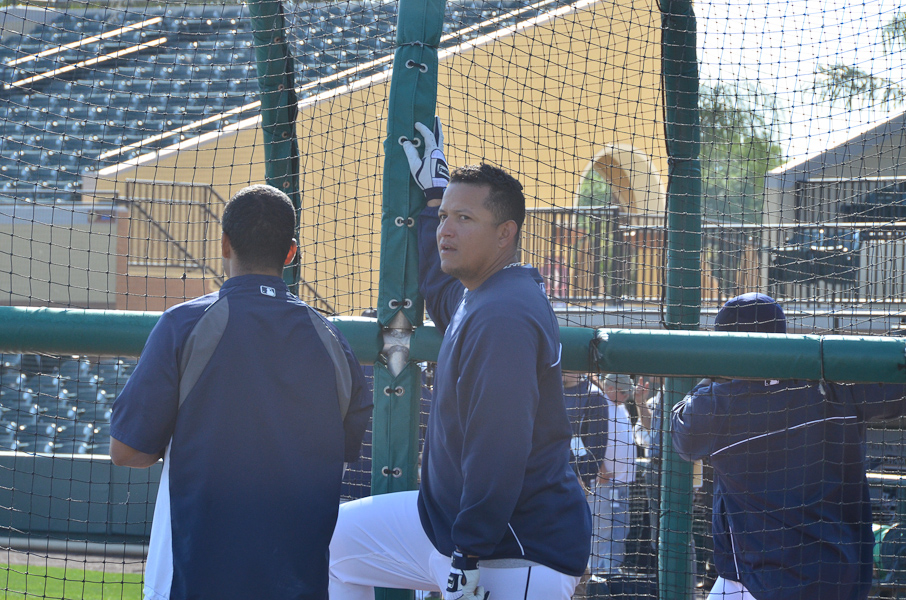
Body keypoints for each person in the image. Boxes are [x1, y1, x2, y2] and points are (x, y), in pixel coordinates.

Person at [329, 119, 591, 600]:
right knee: (328, 543)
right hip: (449, 529)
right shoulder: (483, 294)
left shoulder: (503, 317)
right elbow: (440, 290)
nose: (445, 230)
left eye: (463, 219)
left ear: (505, 233)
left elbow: (500, 447)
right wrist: (434, 194)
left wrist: (467, 557)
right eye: (445, 217)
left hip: (514, 550)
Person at [109, 184, 371, 600]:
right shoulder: (334, 340)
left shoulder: (184, 325)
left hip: (194, 577)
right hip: (297, 581)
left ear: (225, 244)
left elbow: (127, 451)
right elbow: (343, 452)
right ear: (291, 252)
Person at [671, 292, 906, 600]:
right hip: (838, 575)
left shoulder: (717, 404)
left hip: (758, 580)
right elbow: (897, 386)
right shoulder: (835, 383)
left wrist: (713, 374)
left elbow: (682, 435)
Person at [591, 373, 637, 574]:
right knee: (602, 528)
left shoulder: (621, 408)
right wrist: (599, 469)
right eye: (623, 391)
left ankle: (612, 572)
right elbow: (588, 439)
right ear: (610, 388)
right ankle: (598, 574)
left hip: (621, 482)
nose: (627, 396)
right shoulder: (599, 403)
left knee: (619, 529)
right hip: (603, 482)